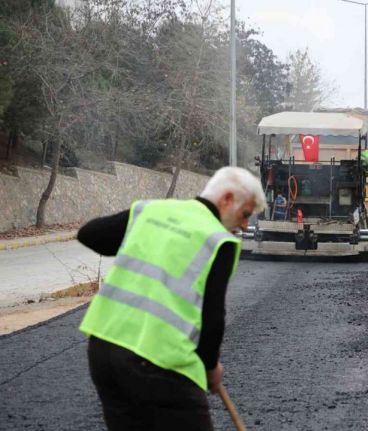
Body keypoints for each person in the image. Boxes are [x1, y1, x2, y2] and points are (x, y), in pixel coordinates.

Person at [77, 167, 266, 431]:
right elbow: (212, 319)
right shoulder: (217, 240)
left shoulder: (151, 211)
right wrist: (210, 367)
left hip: (103, 352)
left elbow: (90, 234)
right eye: (245, 214)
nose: (245, 225)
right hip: (159, 362)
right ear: (226, 199)